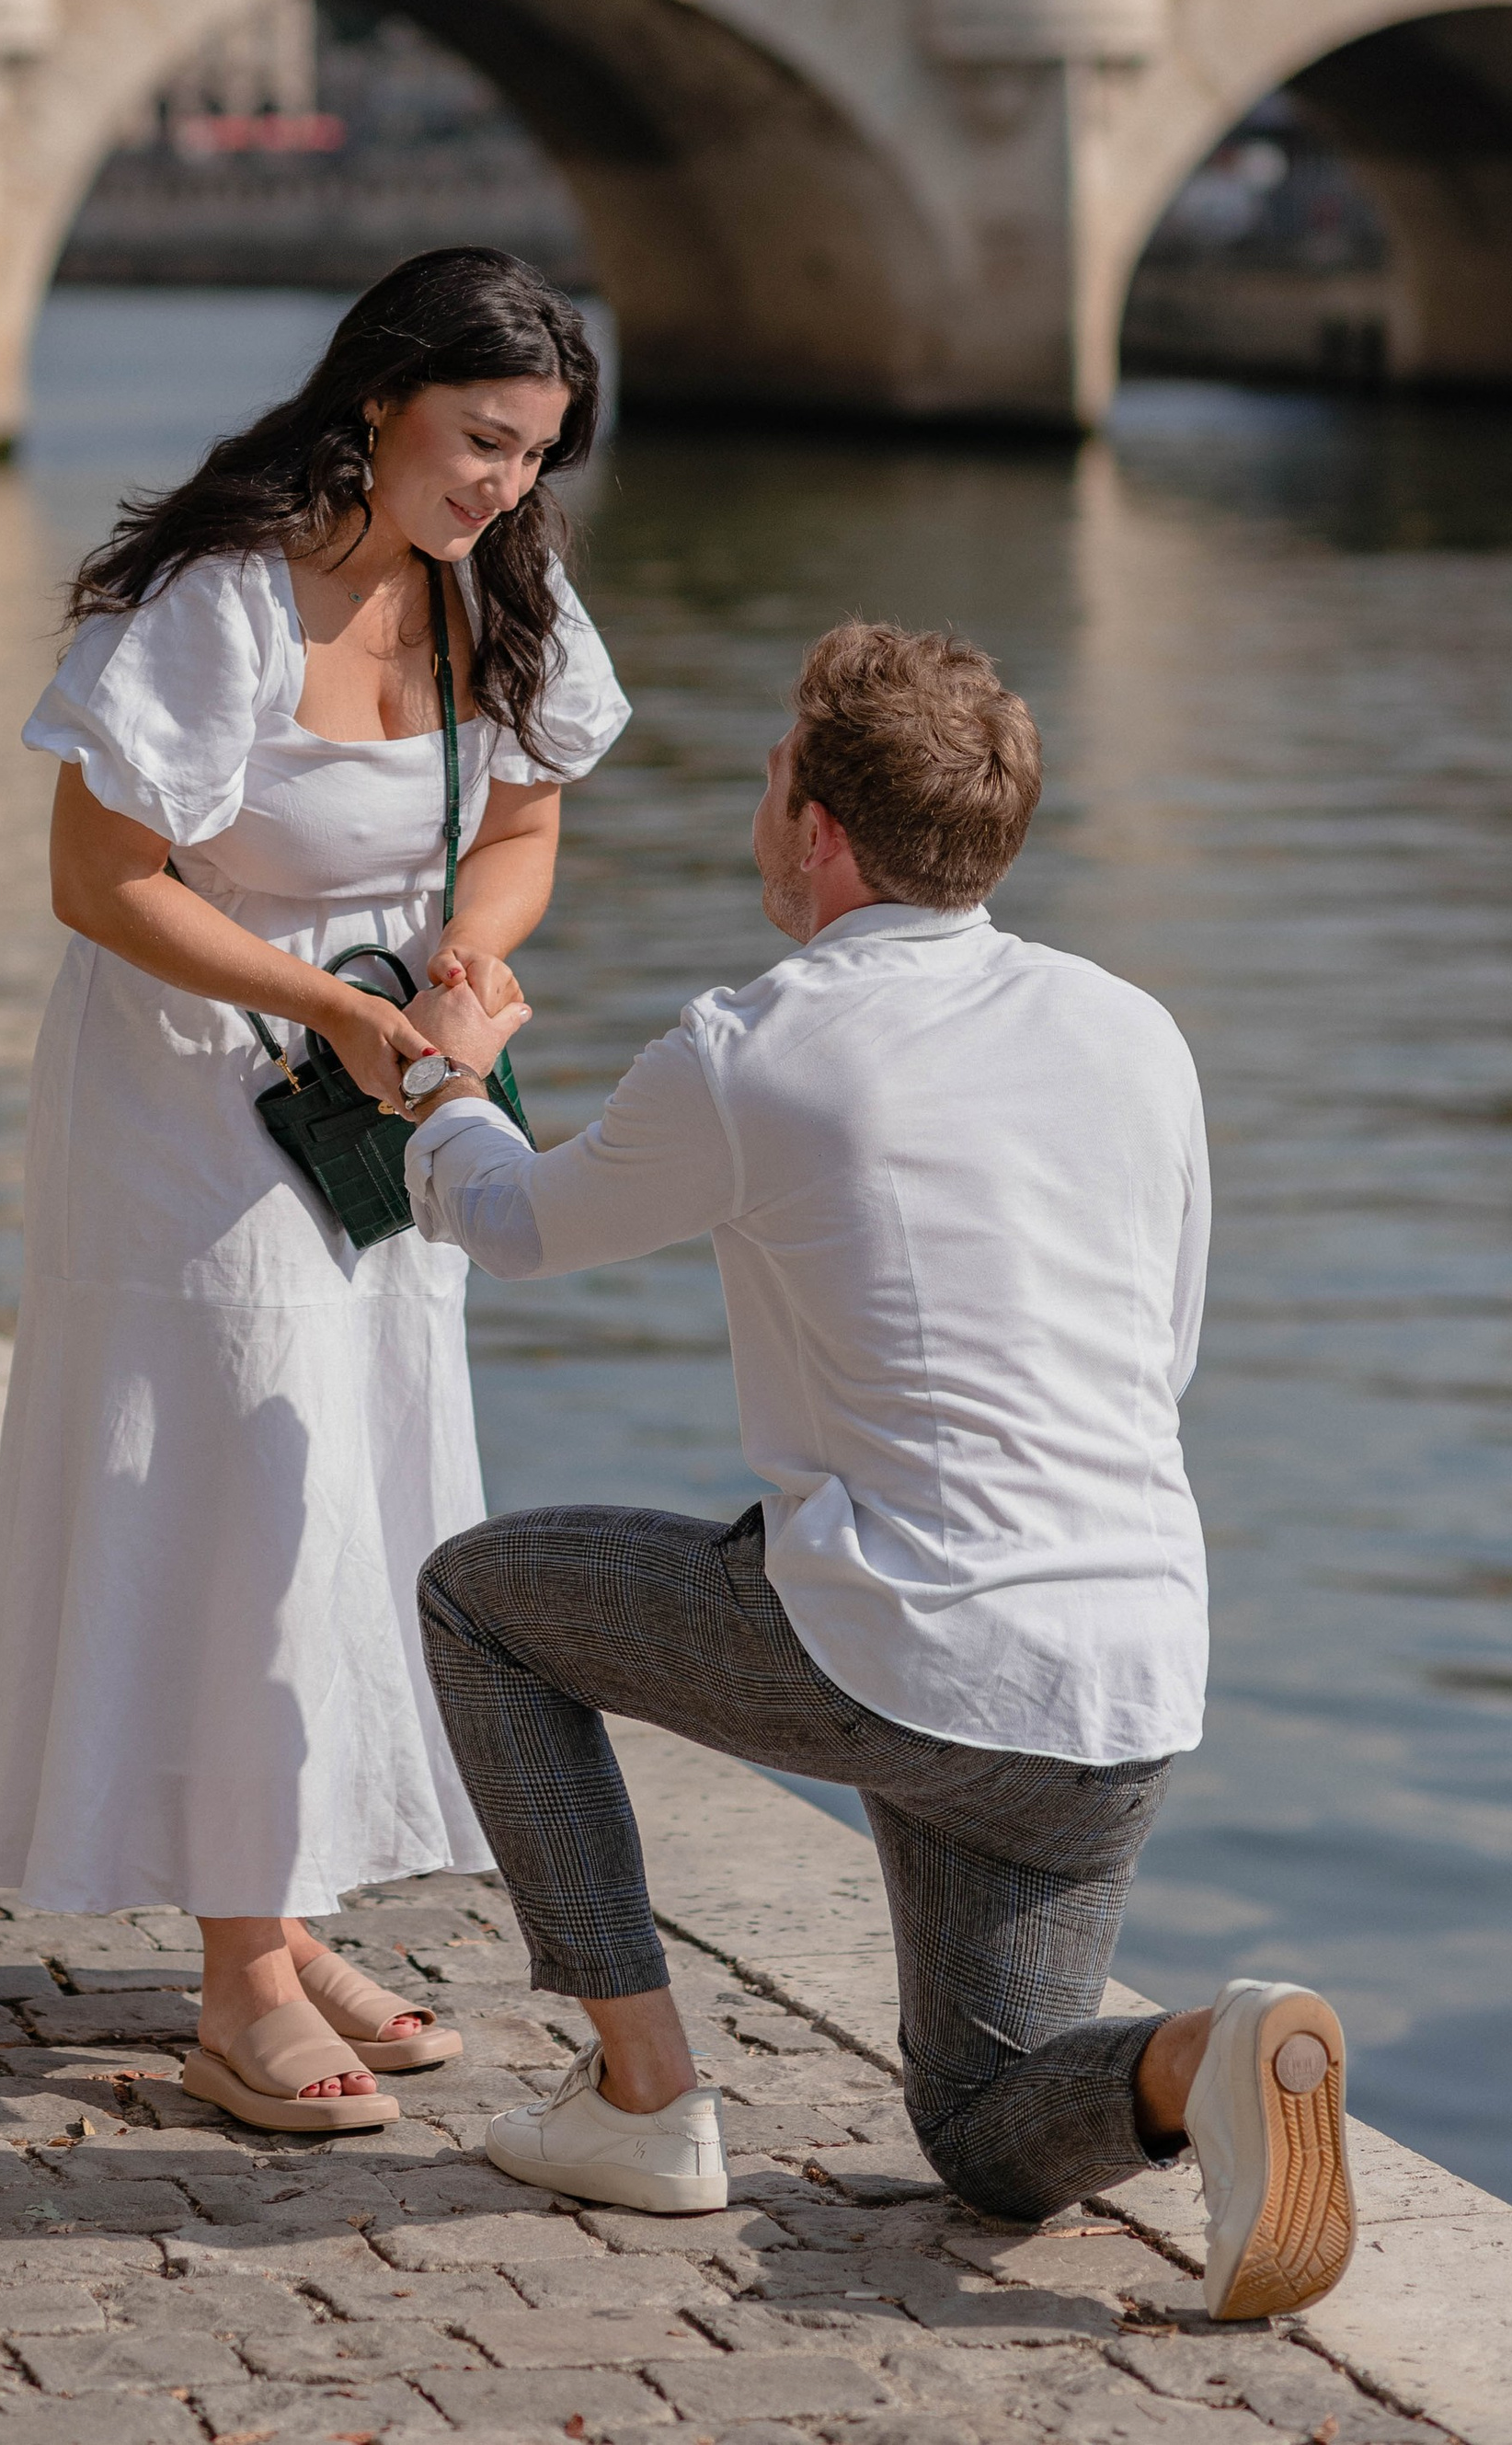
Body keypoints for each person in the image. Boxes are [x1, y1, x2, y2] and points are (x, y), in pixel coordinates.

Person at [402, 621, 1357, 2321]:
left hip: (907, 1649)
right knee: (986, 2133)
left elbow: (511, 1220)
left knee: (480, 1599)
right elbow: (1169, 1346)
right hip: (1125, 1676)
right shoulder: (1136, 1029)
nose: (760, 808)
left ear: (820, 831)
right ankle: (1207, 2057)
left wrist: (440, 1072)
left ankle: (641, 2096)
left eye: (773, 780)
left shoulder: (757, 1043)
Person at [0, 248, 628, 2140]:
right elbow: (102, 881)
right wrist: (327, 996)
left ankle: (288, 1907)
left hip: (379, 1096)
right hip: (193, 1093)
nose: (503, 484)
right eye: (480, 440)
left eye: (533, 455)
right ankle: (239, 1977)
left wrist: (462, 973)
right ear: (377, 399)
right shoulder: (221, 601)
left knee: (352, 1489)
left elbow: (522, 818)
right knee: (242, 1482)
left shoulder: (499, 584)